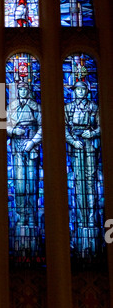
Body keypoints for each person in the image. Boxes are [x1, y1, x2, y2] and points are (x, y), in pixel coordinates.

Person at [65, 81, 101, 227]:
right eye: (77, 89)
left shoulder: (94, 107)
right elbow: (63, 128)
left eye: (82, 89)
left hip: (90, 146)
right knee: (79, 182)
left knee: (90, 181)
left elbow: (101, 127)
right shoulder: (68, 108)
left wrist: (91, 133)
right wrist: (73, 141)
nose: (79, 92)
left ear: (87, 91)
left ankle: (92, 219)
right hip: (76, 146)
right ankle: (81, 219)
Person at [7, 81, 42, 227]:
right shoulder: (12, 107)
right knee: (19, 182)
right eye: (20, 89)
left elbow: (43, 127)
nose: (22, 92)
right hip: (17, 147)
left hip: (31, 147)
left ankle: (32, 216)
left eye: (24, 89)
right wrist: (14, 131)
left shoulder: (36, 107)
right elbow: (5, 125)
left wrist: (33, 142)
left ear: (28, 91)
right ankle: (21, 216)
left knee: (32, 183)